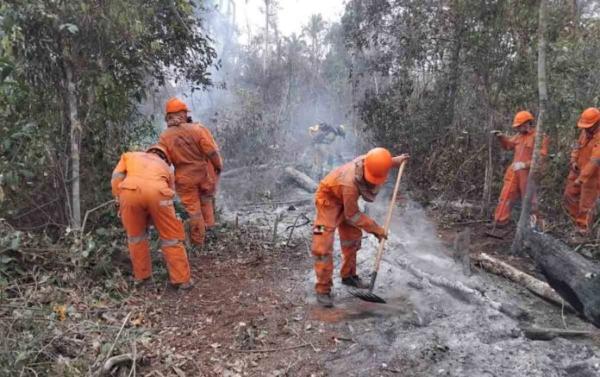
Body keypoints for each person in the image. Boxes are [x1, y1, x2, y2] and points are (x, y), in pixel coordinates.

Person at [311, 147, 409, 307]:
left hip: (345, 202)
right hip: (327, 201)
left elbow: (380, 161)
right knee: (321, 244)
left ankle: (349, 276)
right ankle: (323, 290)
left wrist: (396, 161)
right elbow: (353, 215)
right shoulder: (349, 184)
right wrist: (375, 229)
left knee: (352, 237)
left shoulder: (370, 160)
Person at [111, 144, 192, 289]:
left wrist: (119, 198)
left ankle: (144, 279)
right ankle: (182, 281)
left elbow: (116, 177)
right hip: (160, 195)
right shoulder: (167, 168)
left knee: (136, 238)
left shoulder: (130, 156)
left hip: (129, 193)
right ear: (166, 158)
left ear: (148, 151)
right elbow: (170, 194)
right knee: (171, 238)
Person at [159, 97, 223, 248]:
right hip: (203, 173)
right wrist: (218, 166)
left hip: (184, 178)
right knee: (206, 201)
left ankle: (198, 243)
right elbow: (211, 151)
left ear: (168, 117)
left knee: (194, 212)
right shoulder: (197, 129)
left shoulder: (165, 137)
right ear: (181, 114)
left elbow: (163, 161)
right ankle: (211, 232)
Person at [490, 111, 549, 227]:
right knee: (506, 196)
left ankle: (535, 227)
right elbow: (508, 145)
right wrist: (501, 137)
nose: (518, 129)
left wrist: (525, 165)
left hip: (528, 173)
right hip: (515, 172)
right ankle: (500, 221)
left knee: (530, 200)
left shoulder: (540, 136)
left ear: (527, 124)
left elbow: (541, 158)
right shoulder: (519, 136)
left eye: (519, 126)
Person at [564, 107, 600, 237]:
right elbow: (577, 146)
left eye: (588, 126)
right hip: (577, 170)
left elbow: (595, 162)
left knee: (587, 204)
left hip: (592, 177)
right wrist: (573, 160)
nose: (586, 128)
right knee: (569, 195)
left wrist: (582, 179)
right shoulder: (585, 132)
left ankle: (583, 230)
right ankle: (575, 221)